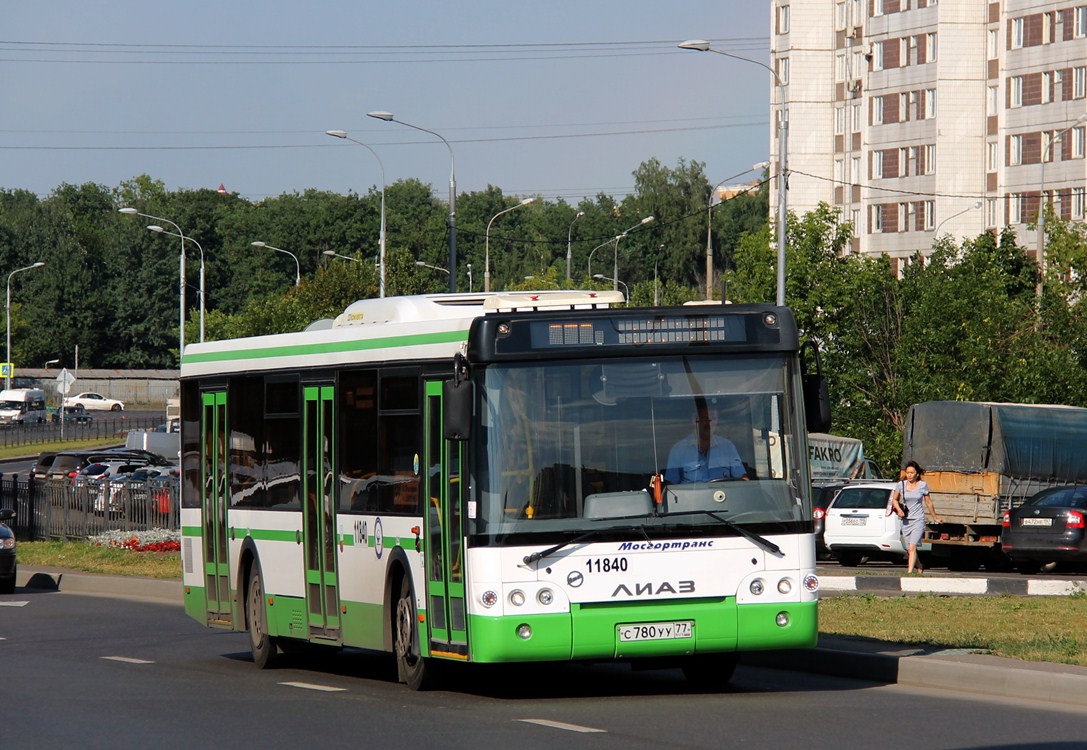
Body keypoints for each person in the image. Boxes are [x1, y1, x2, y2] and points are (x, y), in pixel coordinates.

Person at [664, 404, 747, 484]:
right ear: (694, 420)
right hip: (690, 498)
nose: (709, 423)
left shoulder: (728, 447)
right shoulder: (678, 450)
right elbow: (671, 487)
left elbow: (742, 479)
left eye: (713, 419)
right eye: (705, 419)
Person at [889, 460, 942, 575]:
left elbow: (928, 502)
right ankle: (920, 566)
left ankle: (909, 573)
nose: (909, 475)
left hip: (918, 519)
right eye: (907, 472)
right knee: (909, 549)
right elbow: (894, 500)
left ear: (917, 474)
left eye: (912, 473)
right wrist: (898, 510)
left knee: (912, 547)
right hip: (905, 520)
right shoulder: (901, 484)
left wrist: (935, 517)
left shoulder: (922, 485)